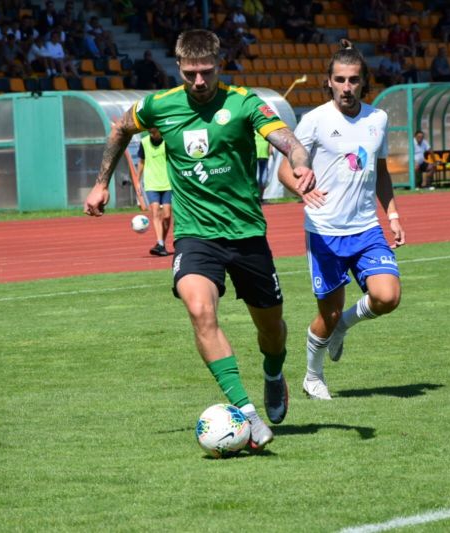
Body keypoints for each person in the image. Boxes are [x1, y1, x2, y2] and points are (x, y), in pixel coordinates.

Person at [83, 29, 316, 450]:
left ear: (218, 64)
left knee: (272, 332)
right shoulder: (159, 105)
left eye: (206, 72)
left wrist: (300, 163)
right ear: (179, 67)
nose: (199, 82)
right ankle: (247, 415)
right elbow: (120, 130)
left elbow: (288, 141)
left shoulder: (244, 103)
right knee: (198, 307)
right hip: (195, 237)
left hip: (246, 235)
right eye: (190, 74)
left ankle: (273, 371)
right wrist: (101, 184)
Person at [277, 42, 405, 400]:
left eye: (353, 80)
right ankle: (312, 376)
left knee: (388, 296)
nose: (346, 86)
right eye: (340, 80)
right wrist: (302, 191)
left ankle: (344, 327)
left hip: (366, 229)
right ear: (328, 82)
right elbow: (284, 168)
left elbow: (380, 170)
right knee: (327, 315)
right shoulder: (315, 120)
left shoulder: (377, 119)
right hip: (324, 232)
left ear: (364, 82)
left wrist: (391, 213)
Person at [136, 127, 173, 256]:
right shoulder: (144, 142)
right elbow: (141, 162)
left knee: (167, 216)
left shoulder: (168, 141)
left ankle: (161, 243)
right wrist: (137, 180)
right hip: (151, 183)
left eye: (154, 131)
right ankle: (160, 244)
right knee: (156, 211)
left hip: (167, 182)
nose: (152, 134)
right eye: (150, 132)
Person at [254, 131, 272, 202]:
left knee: (264, 179)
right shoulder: (253, 131)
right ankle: (255, 197)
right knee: (257, 178)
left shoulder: (265, 131)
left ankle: (261, 197)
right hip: (256, 156)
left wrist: (271, 148)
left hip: (265, 156)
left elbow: (270, 140)